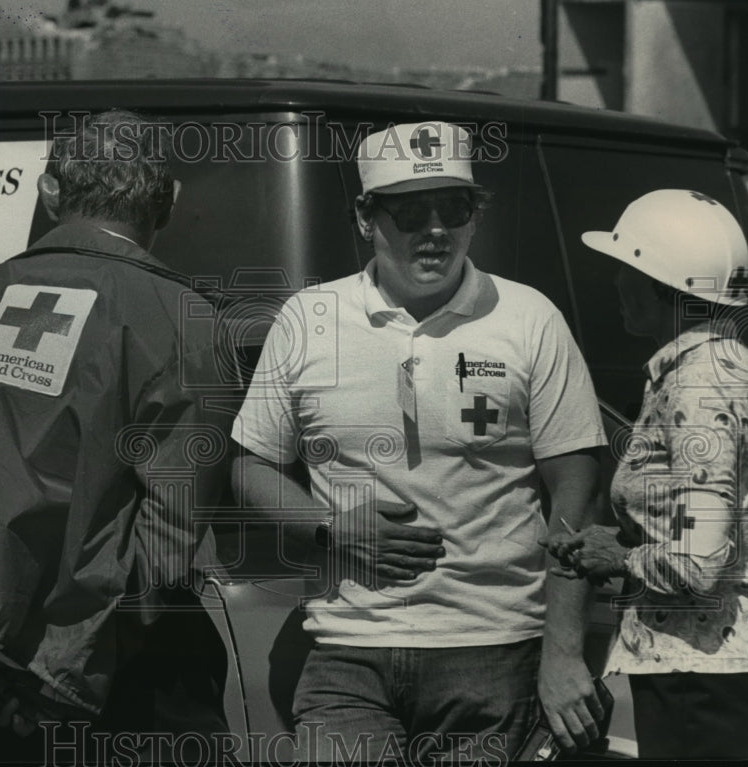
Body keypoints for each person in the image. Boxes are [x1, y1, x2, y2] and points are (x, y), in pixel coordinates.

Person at [231, 121, 608, 764]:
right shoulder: (308, 319)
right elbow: (250, 465)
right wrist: (331, 527)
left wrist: (564, 652)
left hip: (494, 656)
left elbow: (577, 486)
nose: (435, 229)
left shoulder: (529, 319)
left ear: (474, 215)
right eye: (409, 210)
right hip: (348, 656)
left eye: (454, 207)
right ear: (364, 216)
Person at [0, 109, 232, 763]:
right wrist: (60, 671)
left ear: (48, 194)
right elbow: (168, 539)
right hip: (136, 683)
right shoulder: (183, 320)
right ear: (170, 203)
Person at [545, 189, 748, 760]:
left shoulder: (699, 385)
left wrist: (620, 559)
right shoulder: (723, 369)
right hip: (716, 670)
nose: (616, 283)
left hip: (703, 677)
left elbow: (700, 560)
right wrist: (623, 537)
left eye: (626, 267)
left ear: (662, 282)